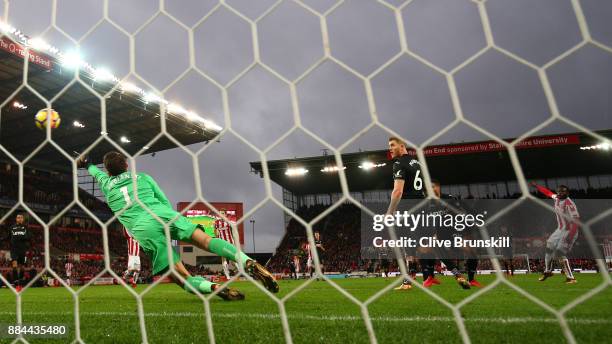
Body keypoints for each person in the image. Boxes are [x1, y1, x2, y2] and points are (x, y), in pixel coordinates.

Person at [78, 152, 278, 300]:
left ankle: (213, 288)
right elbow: (163, 200)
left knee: (179, 276)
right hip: (164, 214)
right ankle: (247, 262)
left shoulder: (106, 184)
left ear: (108, 171)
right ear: (126, 166)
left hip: (143, 227)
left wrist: (85, 163)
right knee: (207, 240)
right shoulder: (143, 177)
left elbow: (94, 172)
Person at [386, 137, 424, 291]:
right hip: (421, 205)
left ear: (402, 146)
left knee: (407, 245)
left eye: (392, 145)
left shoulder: (398, 163)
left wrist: (390, 212)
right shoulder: (416, 162)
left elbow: (397, 191)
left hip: (407, 207)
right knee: (414, 245)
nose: (390, 148)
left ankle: (408, 281)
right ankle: (413, 278)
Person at [531, 183, 578, 284]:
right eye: (559, 191)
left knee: (559, 254)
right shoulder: (556, 198)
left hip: (569, 231)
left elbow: (576, 221)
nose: (560, 193)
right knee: (548, 248)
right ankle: (548, 271)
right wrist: (537, 186)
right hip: (560, 230)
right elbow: (547, 192)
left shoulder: (569, 203)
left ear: (567, 193)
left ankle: (571, 278)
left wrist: (570, 236)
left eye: (563, 191)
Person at [10, 213, 29, 292]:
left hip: (22, 250)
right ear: (16, 219)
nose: (20, 219)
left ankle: (20, 284)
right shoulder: (12, 227)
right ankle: (16, 284)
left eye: (21, 218)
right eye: (18, 217)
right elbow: (9, 236)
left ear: (23, 219)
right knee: (14, 265)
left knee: (22, 267)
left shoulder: (25, 228)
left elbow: (29, 237)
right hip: (14, 249)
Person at [214, 210, 235, 280]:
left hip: (230, 242)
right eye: (219, 213)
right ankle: (227, 276)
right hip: (222, 243)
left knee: (234, 260)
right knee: (223, 259)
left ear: (225, 214)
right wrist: (217, 240)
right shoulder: (216, 223)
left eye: (222, 213)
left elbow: (233, 232)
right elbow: (216, 232)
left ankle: (240, 272)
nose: (221, 214)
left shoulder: (229, 222)